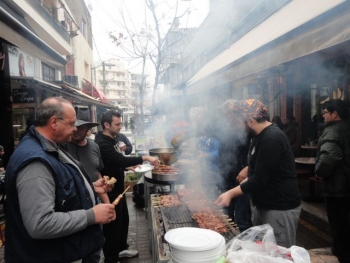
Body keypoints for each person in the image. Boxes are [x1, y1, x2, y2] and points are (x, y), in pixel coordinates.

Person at [4, 97, 116, 263]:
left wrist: (89, 188)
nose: (74, 129)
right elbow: (40, 223)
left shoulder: (51, 146)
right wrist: (91, 215)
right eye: (71, 124)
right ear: (54, 122)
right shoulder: (36, 162)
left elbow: (55, 189)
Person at [215, 99, 301, 248]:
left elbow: (259, 179)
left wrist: (230, 194)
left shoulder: (271, 138)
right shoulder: (258, 136)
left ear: (250, 120)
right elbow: (263, 170)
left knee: (279, 254)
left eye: (237, 122)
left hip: (279, 208)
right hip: (265, 204)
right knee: (263, 252)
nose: (236, 126)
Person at [95, 110, 160, 263]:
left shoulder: (113, 139)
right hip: (108, 191)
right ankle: (111, 258)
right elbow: (118, 159)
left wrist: (126, 168)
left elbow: (115, 162)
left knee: (123, 221)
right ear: (106, 125)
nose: (120, 127)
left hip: (118, 187)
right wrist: (145, 157)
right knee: (113, 226)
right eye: (117, 124)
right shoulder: (102, 142)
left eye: (121, 123)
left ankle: (121, 249)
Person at [64, 119, 109, 263]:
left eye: (81, 127)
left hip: (94, 201)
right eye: (74, 126)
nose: (76, 130)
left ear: (88, 129)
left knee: (94, 246)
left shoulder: (94, 146)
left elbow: (98, 174)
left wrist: (107, 203)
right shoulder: (63, 147)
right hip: (73, 204)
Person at [314, 99, 350, 263]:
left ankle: (342, 256)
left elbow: (330, 157)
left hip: (338, 189)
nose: (323, 115)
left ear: (335, 114)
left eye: (326, 112)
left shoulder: (333, 132)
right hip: (345, 186)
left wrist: (319, 171)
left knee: (339, 228)